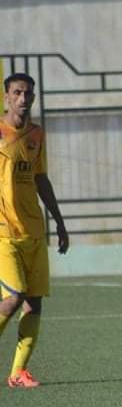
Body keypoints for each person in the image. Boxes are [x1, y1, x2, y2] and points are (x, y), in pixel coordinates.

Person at [0, 73, 69, 389]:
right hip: (3, 235)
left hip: (34, 232)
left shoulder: (37, 135)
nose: (23, 99)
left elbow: (41, 179)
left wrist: (59, 220)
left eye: (28, 94)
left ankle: (18, 373)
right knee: (14, 298)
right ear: (6, 97)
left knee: (33, 303)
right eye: (17, 93)